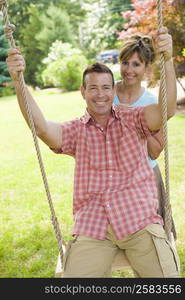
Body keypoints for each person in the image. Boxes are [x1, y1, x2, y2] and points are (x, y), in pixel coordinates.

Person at [6, 27, 180, 278]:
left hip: (139, 220)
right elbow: (41, 128)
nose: (101, 95)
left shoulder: (133, 119)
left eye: (106, 88)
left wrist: (167, 58)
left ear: (113, 90)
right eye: (94, 88)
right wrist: (17, 79)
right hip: (93, 227)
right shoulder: (76, 131)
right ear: (83, 92)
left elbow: (168, 109)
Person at [114, 32, 177, 239]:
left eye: (136, 64)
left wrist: (132, 120)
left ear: (147, 68)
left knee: (152, 239)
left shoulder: (151, 102)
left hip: (145, 176)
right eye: (125, 63)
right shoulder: (108, 92)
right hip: (113, 177)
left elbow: (156, 151)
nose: (129, 70)